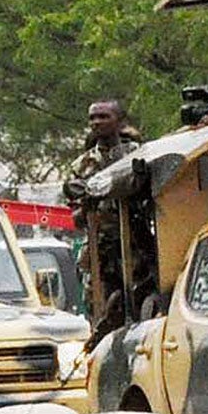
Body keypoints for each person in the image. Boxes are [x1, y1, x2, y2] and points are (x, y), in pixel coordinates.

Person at [63, 99, 148, 332]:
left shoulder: (140, 155)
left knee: (145, 307)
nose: (96, 122)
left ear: (119, 121)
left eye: (103, 117)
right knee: (102, 314)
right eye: (92, 118)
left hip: (138, 244)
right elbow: (77, 219)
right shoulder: (81, 166)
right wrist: (88, 204)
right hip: (101, 250)